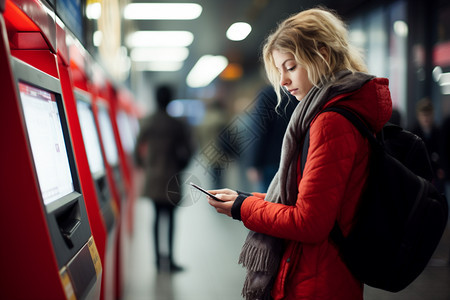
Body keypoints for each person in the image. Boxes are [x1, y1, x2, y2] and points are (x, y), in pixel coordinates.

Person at [207, 7, 392, 300]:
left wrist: (242, 208)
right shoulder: (333, 111)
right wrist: (244, 199)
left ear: (323, 56)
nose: (282, 80)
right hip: (326, 271)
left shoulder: (331, 121)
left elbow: (310, 223)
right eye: (279, 70)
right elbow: (309, 200)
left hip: (318, 279)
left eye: (290, 67)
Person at [134, 85, 194, 272]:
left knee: (156, 216)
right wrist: (180, 166)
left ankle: (157, 260)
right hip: (171, 176)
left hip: (153, 176)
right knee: (170, 218)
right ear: (170, 100)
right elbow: (190, 150)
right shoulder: (177, 125)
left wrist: (145, 166)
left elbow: (136, 149)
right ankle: (171, 259)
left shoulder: (147, 121)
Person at [245, 85, 297, 191]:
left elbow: (259, 131)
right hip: (295, 159)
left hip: (271, 162)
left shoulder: (269, 94)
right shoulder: (299, 93)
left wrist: (254, 163)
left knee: (269, 201)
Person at [410, 97, 445, 192]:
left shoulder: (438, 132)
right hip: (418, 175)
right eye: (423, 115)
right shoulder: (412, 133)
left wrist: (441, 167)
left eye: (428, 115)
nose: (426, 118)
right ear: (418, 116)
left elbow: (443, 152)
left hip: (435, 175)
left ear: (432, 115)